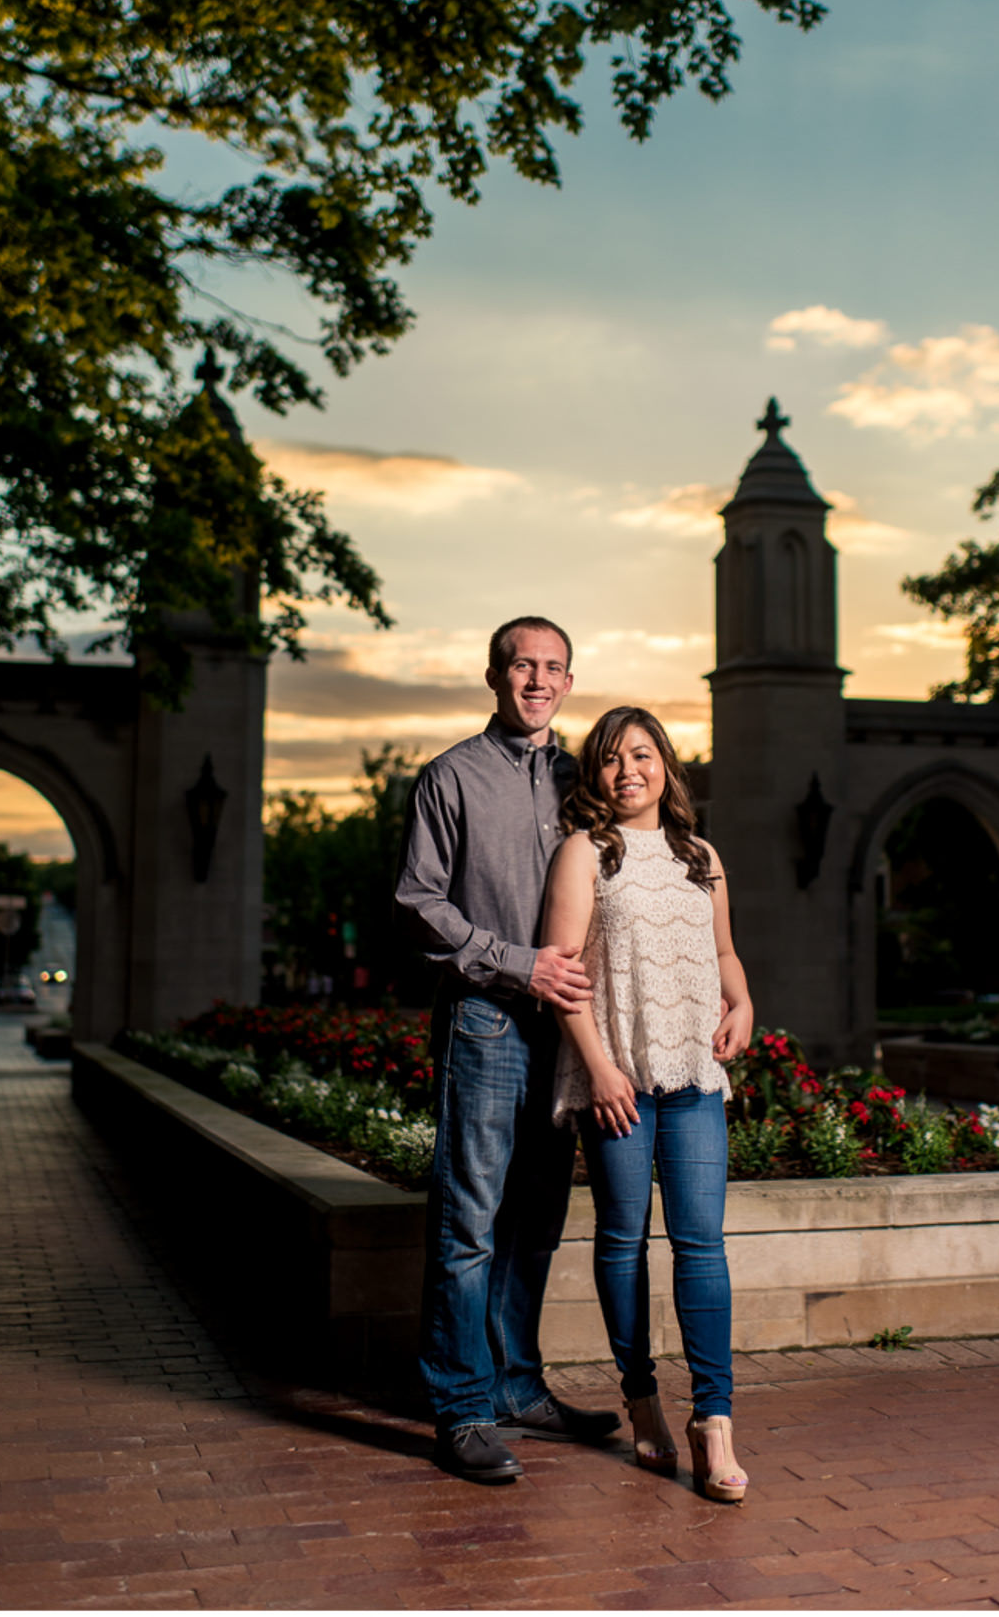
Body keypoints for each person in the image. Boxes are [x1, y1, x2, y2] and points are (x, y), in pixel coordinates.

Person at [398, 614, 615, 1484]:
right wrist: (518, 964)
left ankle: (519, 1385)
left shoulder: (585, 781)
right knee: (469, 1223)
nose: (537, 680)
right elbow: (420, 906)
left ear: (568, 683)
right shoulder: (449, 778)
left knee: (536, 1222)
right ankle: (461, 1409)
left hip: (566, 1031)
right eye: (522, 665)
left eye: (553, 668)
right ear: (495, 676)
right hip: (487, 1022)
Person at [541, 707, 754, 1502]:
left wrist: (744, 1006)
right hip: (618, 1083)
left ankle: (715, 1423)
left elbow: (726, 954)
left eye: (642, 754)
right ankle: (640, 1401)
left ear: (665, 762)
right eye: (609, 759)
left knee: (702, 1247)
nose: (627, 770)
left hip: (696, 1078)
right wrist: (597, 1068)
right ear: (594, 776)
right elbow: (562, 974)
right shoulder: (586, 853)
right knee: (623, 1243)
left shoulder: (702, 856)